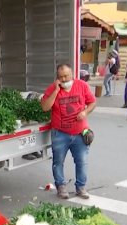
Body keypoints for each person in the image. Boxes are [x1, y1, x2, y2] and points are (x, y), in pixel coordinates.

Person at [40, 63, 96, 200]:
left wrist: (85, 112)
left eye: (66, 76)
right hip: (60, 133)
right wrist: (55, 91)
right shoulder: (53, 88)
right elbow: (45, 107)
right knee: (58, 162)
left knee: (82, 161)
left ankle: (81, 187)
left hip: (79, 132)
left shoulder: (82, 85)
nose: (64, 79)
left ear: (72, 74)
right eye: (61, 77)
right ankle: (61, 186)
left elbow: (92, 102)